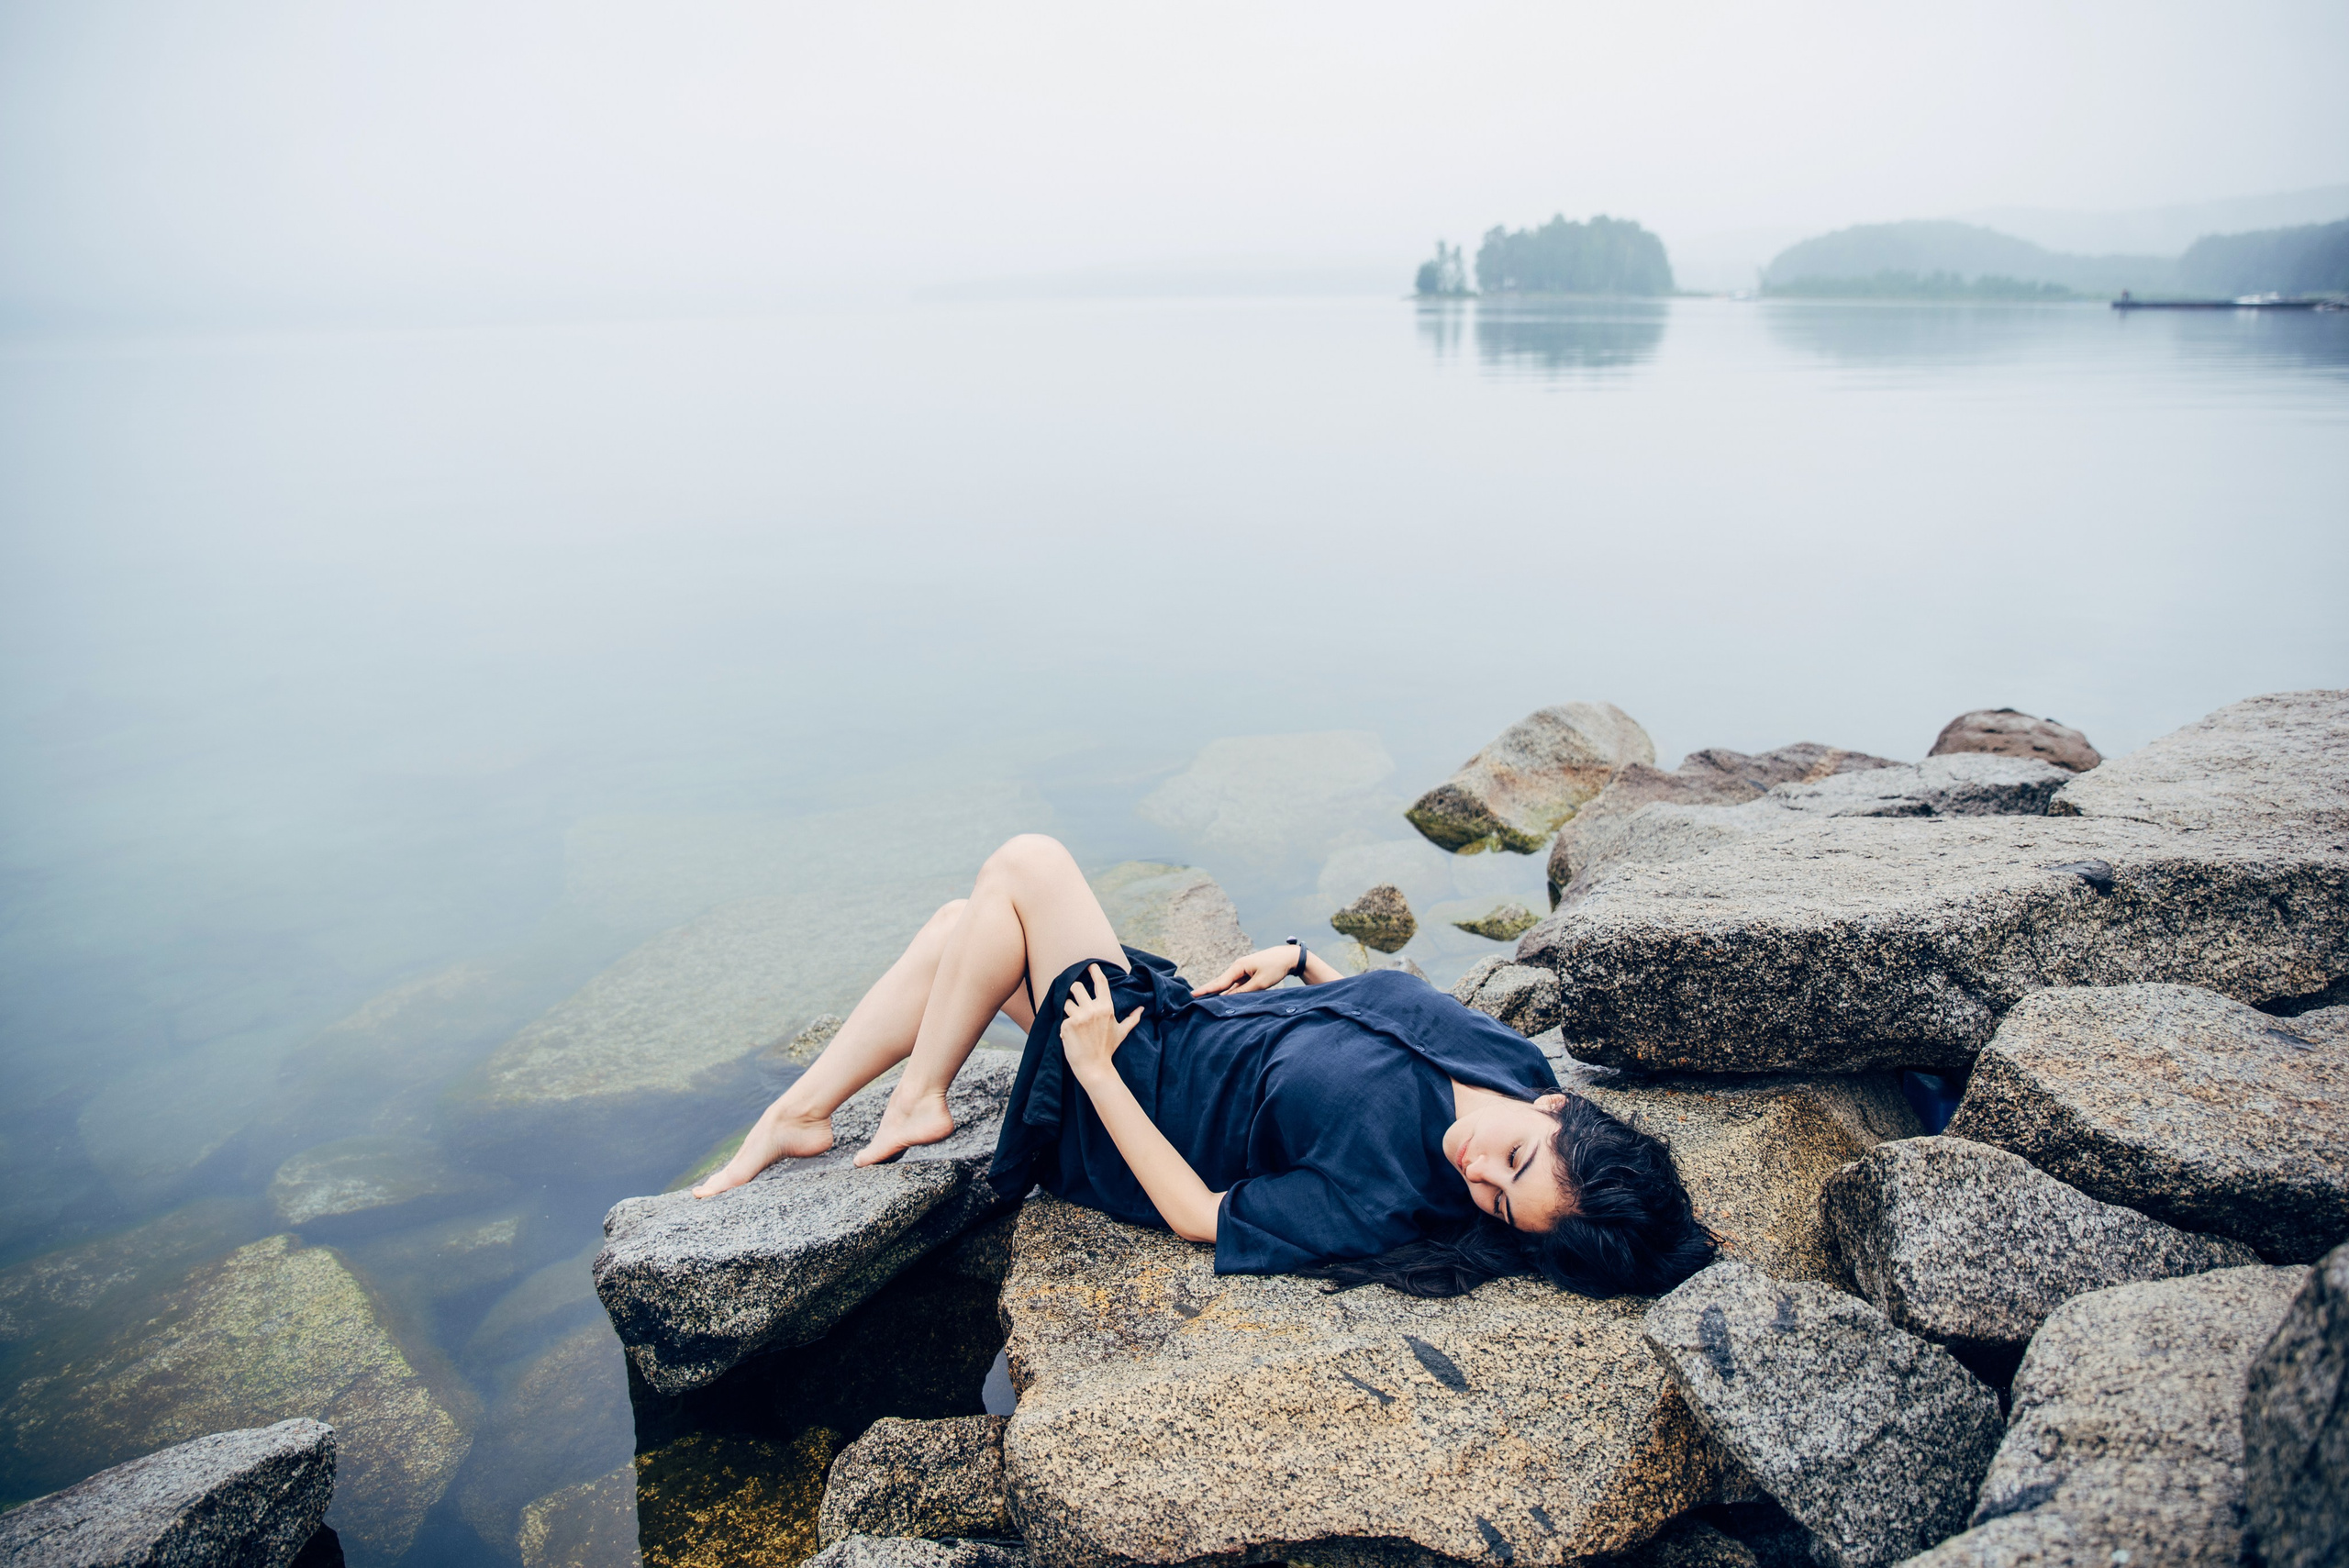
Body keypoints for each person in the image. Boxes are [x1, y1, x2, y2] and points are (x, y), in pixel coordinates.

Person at [693, 834, 1717, 1298]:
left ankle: (916, 1098)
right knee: (961, 928)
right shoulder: (1508, 1056)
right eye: (1515, 1159)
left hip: (1138, 1084)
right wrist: (1301, 961)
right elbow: (1391, 1011)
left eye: (1495, 1201)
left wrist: (1096, 1073)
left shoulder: (1388, 1198)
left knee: (1027, 866)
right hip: (1180, 1021)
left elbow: (1197, 1213)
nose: (1476, 1170)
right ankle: (800, 1114)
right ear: (1553, 1107)